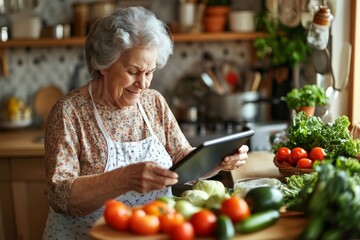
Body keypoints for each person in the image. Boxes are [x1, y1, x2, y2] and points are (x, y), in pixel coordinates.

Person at [42, 6, 249, 239]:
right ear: (103, 64)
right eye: (133, 71)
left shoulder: (153, 102)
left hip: (153, 233)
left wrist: (218, 160)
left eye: (149, 72)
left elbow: (182, 160)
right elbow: (60, 195)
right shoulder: (69, 112)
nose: (143, 84)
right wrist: (125, 178)